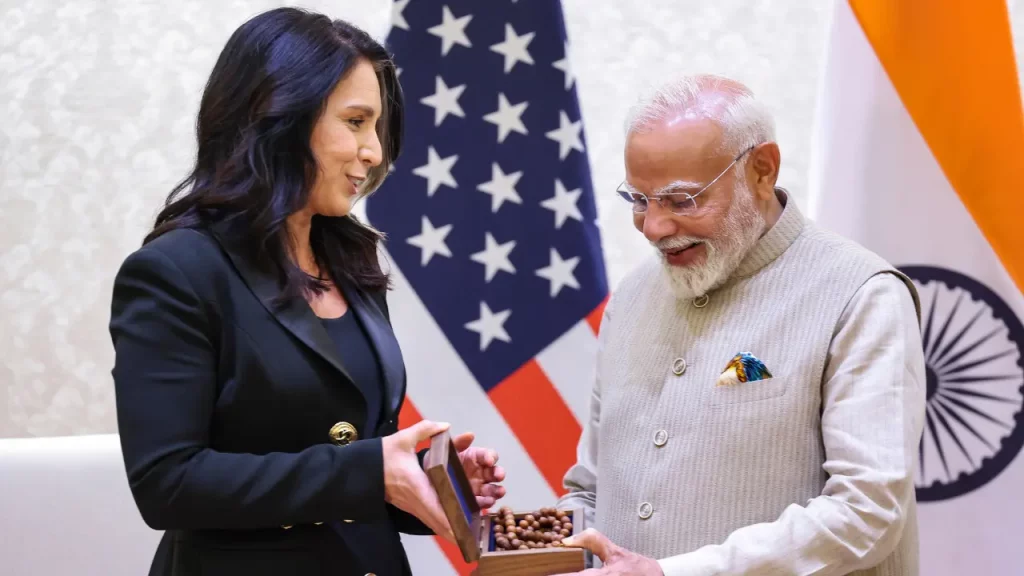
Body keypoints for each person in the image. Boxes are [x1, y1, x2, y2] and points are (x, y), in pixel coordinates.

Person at [108, 8, 505, 576]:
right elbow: (167, 483)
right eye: (356, 121)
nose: (374, 152)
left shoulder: (353, 258)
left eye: (378, 127)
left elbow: (348, 447)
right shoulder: (174, 272)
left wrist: (425, 479)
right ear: (279, 116)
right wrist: (371, 470)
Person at [553, 75, 926, 575]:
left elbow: (867, 512)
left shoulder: (861, 296)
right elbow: (591, 490)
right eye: (639, 200)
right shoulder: (634, 295)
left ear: (761, 170)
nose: (654, 227)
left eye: (681, 200)